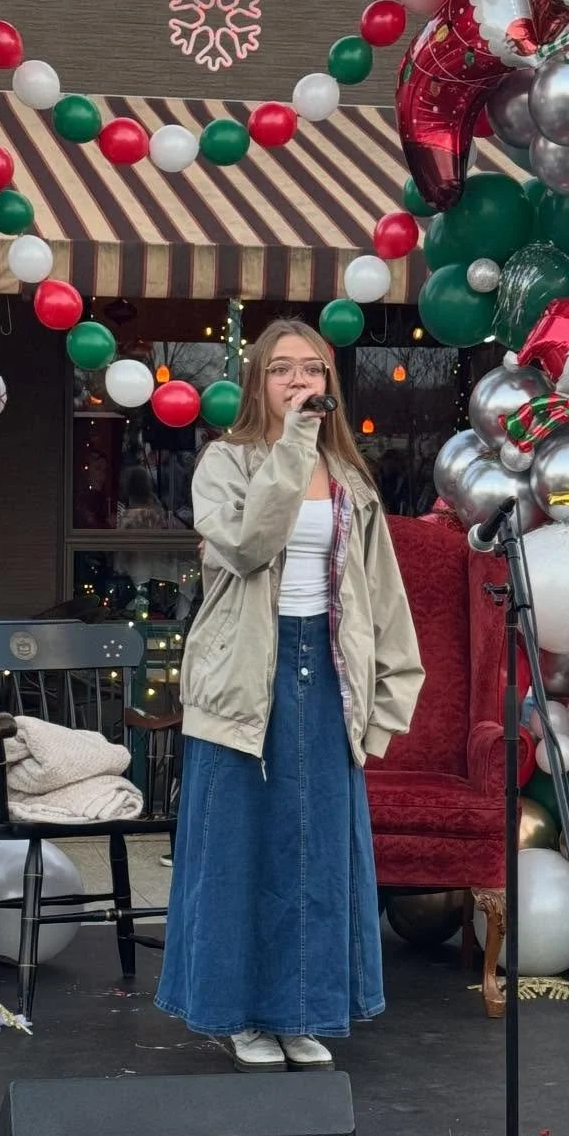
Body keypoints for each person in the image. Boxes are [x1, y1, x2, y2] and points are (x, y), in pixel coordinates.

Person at [156, 320, 423, 1071]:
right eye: (282, 369)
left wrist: (387, 705)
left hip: (327, 670)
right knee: (237, 854)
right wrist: (296, 444)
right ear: (259, 383)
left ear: (328, 382)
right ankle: (239, 1016)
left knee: (314, 856)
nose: (299, 380)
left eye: (312, 369)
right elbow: (249, 546)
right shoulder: (227, 462)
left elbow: (383, 595)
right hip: (244, 676)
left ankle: (299, 1012)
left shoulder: (350, 480)